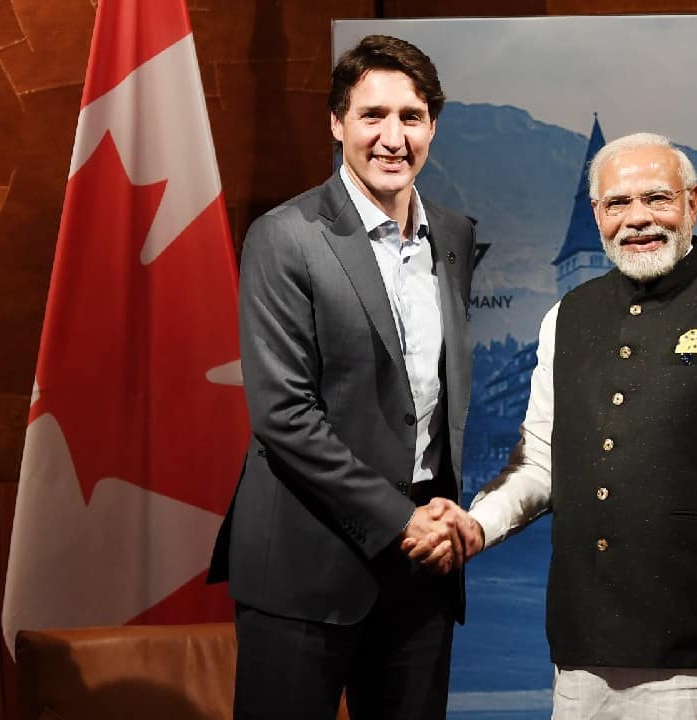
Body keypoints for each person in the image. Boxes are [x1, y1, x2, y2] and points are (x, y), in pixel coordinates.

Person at [429, 132, 697, 720]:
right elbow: (542, 463)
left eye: (657, 198)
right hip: (582, 657)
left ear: (692, 204)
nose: (638, 219)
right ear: (597, 215)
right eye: (618, 204)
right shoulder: (564, 319)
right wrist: (475, 525)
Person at [207, 34, 476, 720]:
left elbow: (435, 400)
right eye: (372, 116)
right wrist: (401, 520)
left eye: (411, 117)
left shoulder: (452, 234)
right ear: (337, 124)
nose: (393, 137)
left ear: (433, 126)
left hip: (422, 571)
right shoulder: (285, 235)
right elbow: (283, 417)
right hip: (304, 566)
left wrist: (439, 515)